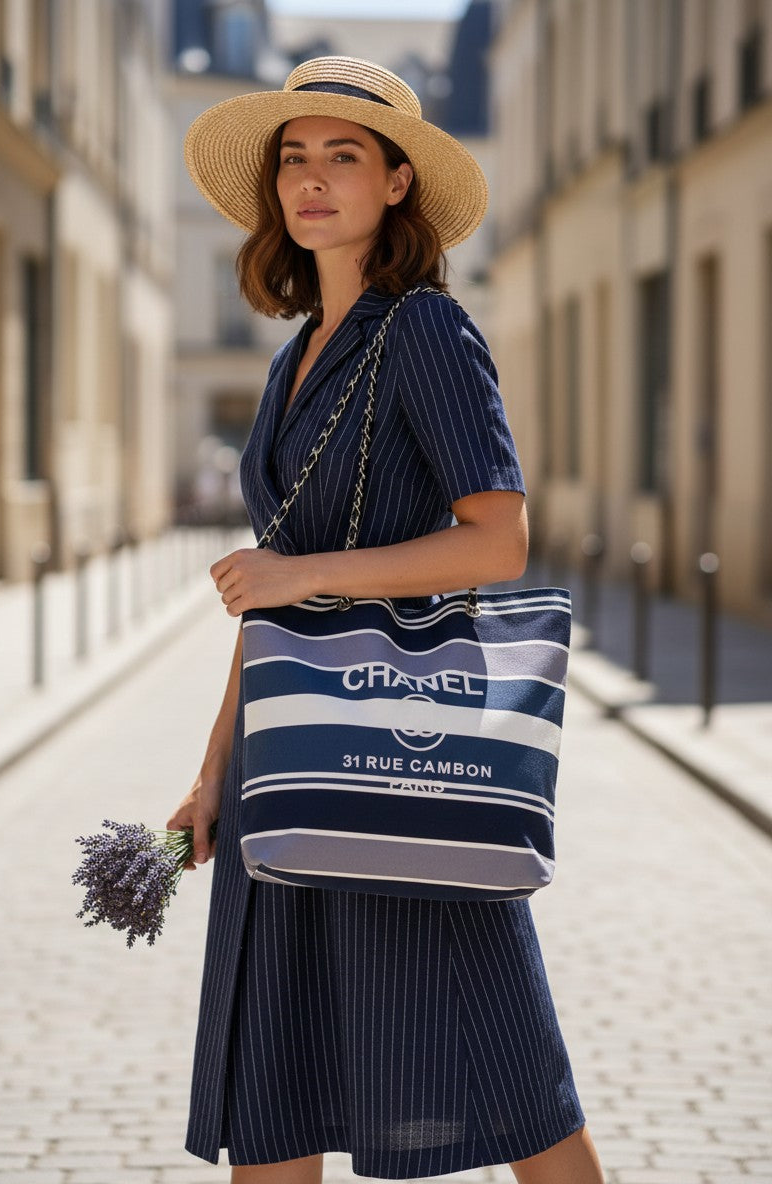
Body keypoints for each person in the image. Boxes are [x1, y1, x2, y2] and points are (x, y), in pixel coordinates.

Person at [169, 57, 605, 1184]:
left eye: (344, 157)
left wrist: (303, 578)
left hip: (406, 762)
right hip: (287, 763)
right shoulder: (292, 354)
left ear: (399, 181)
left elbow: (496, 540)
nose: (312, 181)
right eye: (294, 159)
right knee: (274, 1089)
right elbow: (270, 595)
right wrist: (216, 764)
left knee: (514, 1084)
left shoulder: (426, 331)